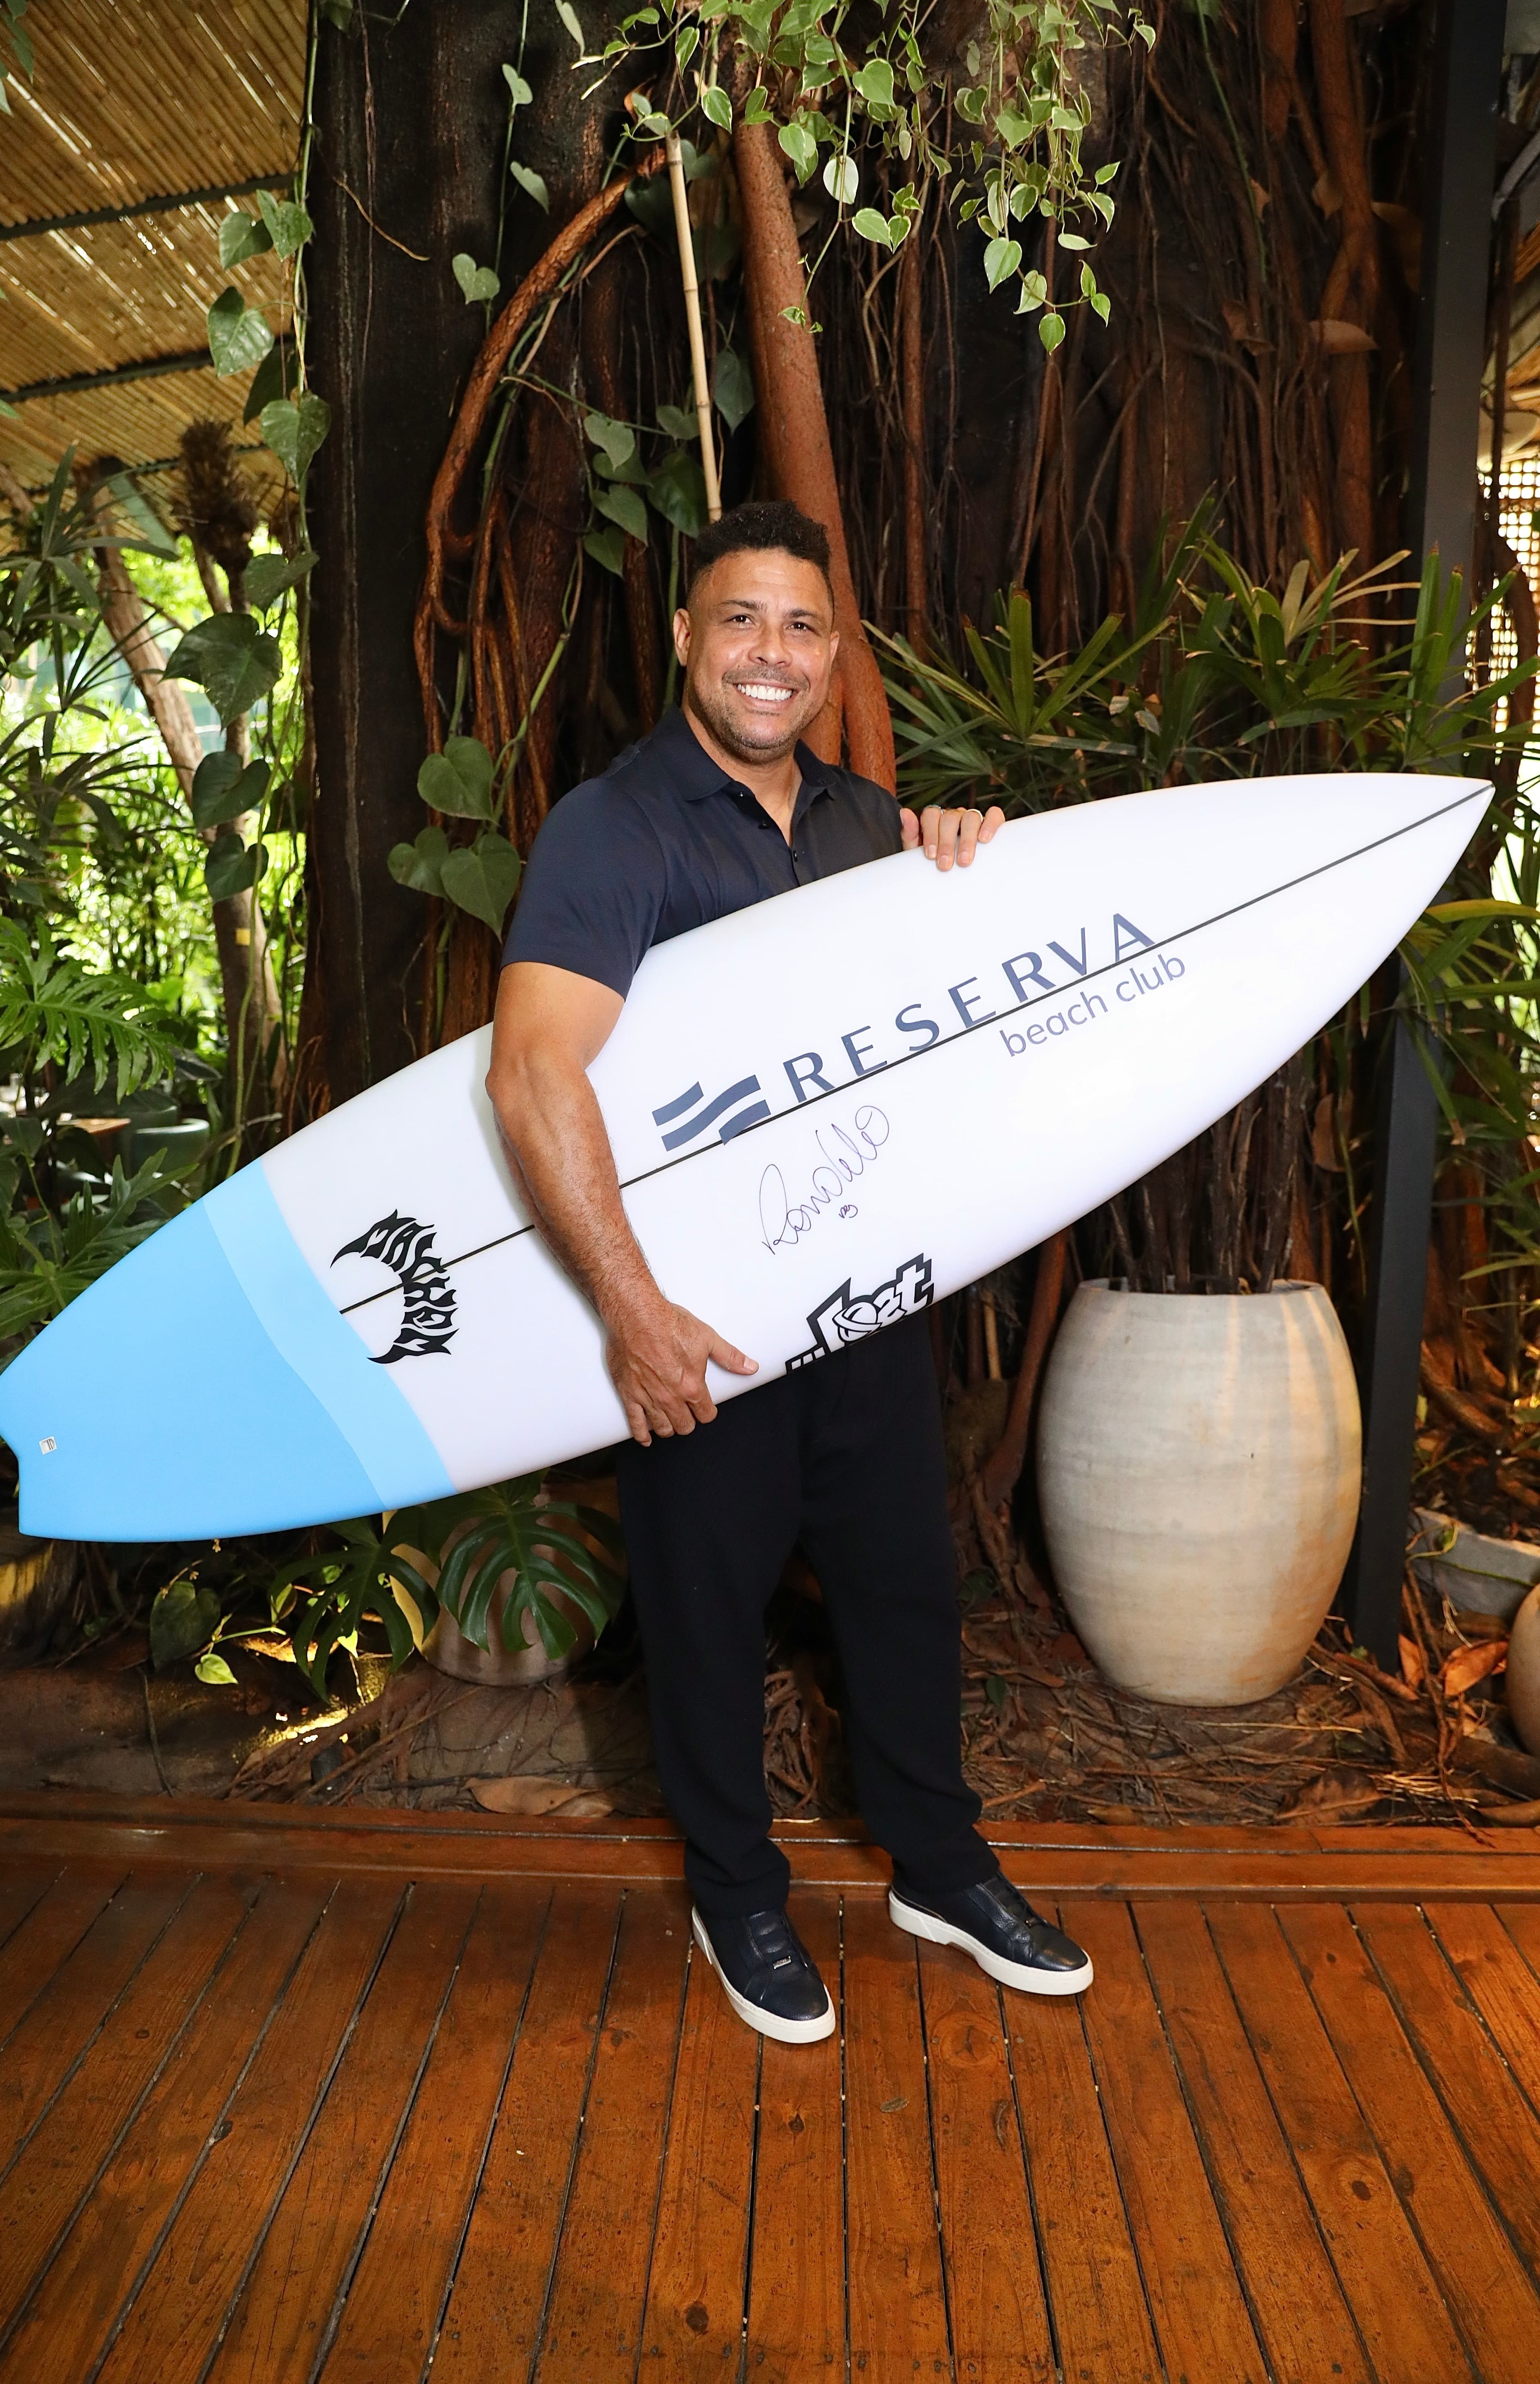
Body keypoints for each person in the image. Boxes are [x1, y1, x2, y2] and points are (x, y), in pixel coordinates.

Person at [487, 500, 1092, 2043]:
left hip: (866, 1308)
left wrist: (963, 857)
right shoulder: (610, 829)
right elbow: (533, 1075)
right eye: (741, 620)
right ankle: (735, 1888)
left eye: (803, 627)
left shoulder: (854, 820)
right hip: (699, 1329)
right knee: (706, 1610)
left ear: (835, 657)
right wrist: (633, 1318)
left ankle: (935, 1866)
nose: (772, 654)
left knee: (905, 1593)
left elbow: (927, 1008)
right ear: (685, 637)